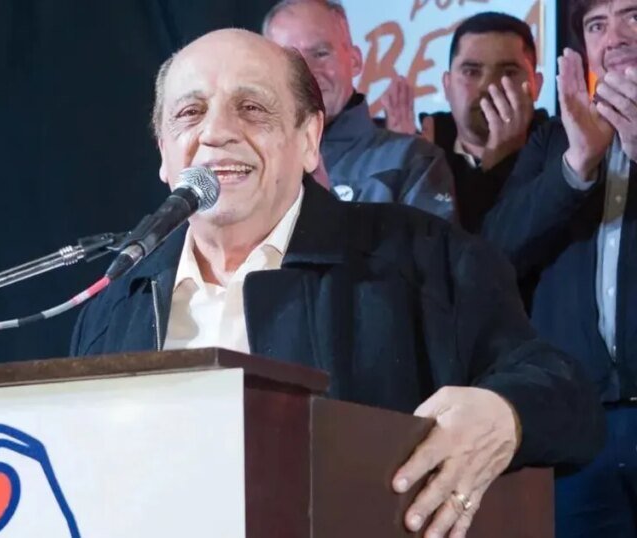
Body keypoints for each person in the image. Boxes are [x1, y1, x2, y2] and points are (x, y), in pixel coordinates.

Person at [70, 28, 603, 537]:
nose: (216, 132)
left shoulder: (420, 255)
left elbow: (565, 394)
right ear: (164, 152)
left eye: (251, 108)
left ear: (309, 140)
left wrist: (504, 415)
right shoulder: (115, 306)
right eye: (190, 113)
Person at [481, 1, 637, 535]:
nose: (614, 37)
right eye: (597, 25)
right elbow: (495, 254)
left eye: (632, 16)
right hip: (580, 424)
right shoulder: (553, 140)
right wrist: (577, 164)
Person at [262, 0, 457, 221]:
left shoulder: (412, 161)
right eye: (291, 61)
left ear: (355, 61)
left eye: (320, 54)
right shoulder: (252, 161)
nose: (307, 72)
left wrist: (326, 212)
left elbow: (431, 243)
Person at [382, 12, 549, 233]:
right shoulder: (420, 151)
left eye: (508, 72)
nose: (488, 86)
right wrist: (403, 172)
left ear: (536, 85)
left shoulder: (560, 154)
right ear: (447, 85)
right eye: (471, 72)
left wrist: (504, 164)